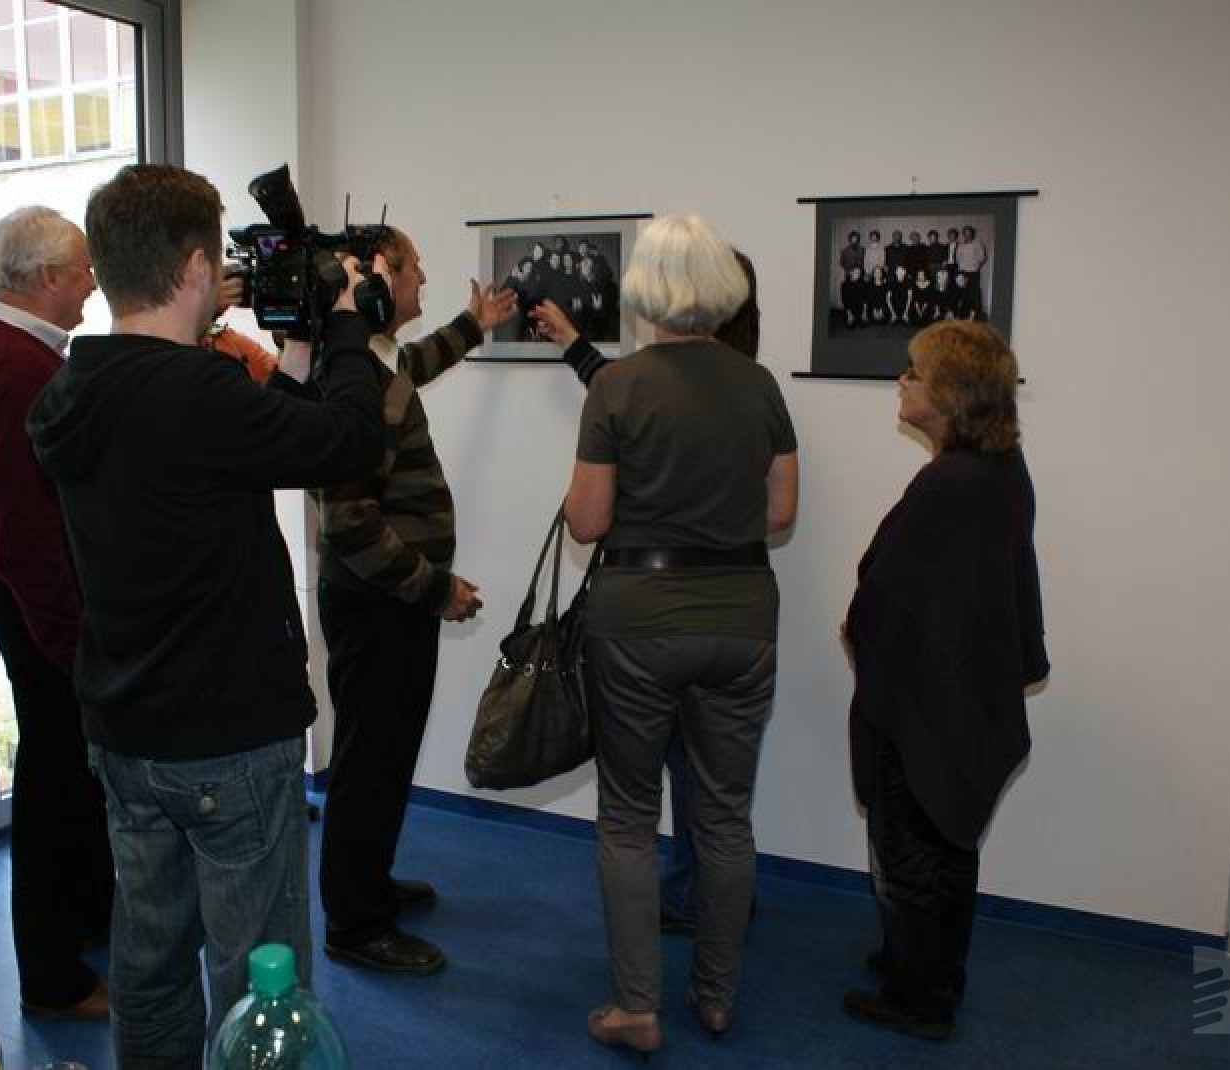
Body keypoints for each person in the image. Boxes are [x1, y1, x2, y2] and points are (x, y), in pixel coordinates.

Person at [25, 163, 387, 1067]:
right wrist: (347, 320)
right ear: (195, 267)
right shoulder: (196, 394)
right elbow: (351, 443)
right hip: (228, 736)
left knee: (149, 965)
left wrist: (294, 355)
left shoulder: (72, 389)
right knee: (258, 979)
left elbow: (254, 444)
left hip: (126, 732)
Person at [560, 215, 798, 1056]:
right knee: (725, 817)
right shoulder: (759, 385)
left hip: (638, 622)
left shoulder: (618, 386)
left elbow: (587, 523)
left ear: (645, 291)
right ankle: (718, 998)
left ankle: (637, 1009)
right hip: (742, 619)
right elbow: (780, 512)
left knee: (629, 818)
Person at [312, 228, 515, 977]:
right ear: (377, 277)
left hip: (390, 599)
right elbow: (350, 523)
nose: (424, 279)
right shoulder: (351, 379)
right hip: (378, 600)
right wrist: (436, 589)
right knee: (369, 760)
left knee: (386, 752)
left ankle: (369, 882)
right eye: (415, 269)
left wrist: (474, 325)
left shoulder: (377, 362)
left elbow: (416, 362)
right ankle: (355, 923)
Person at [840, 320, 1047, 1042]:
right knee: (948, 840)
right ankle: (931, 968)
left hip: (929, 696)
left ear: (952, 394)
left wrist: (862, 625)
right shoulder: (998, 468)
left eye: (914, 372)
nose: (902, 382)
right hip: (962, 692)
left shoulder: (951, 485)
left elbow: (891, 589)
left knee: (913, 848)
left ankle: (918, 998)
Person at [0, 205, 114, 1020]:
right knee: (53, 789)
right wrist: (72, 642)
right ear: (44, 278)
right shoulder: (14, 367)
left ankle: (84, 924)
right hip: (40, 605)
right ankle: (53, 979)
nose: (92, 283)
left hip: (26, 597)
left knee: (70, 779)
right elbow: (28, 530)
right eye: (82, 269)